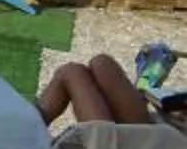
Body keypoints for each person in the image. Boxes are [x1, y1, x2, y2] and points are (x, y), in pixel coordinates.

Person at [36, 51, 186, 128]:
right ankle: (26, 129)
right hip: (162, 128)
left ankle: (23, 135)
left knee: (71, 72)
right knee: (102, 63)